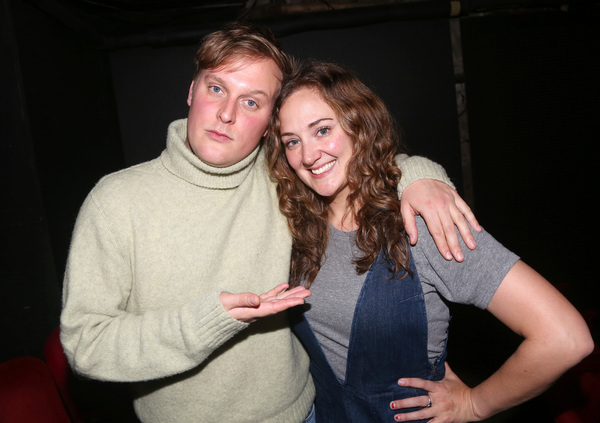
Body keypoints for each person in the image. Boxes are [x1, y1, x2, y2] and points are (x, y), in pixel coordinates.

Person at [60, 22, 479, 423]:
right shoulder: (115, 201)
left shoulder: (284, 178)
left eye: (251, 102)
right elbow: (87, 345)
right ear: (192, 91)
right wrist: (208, 321)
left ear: (269, 127)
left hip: (304, 414)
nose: (226, 114)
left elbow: (356, 159)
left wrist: (422, 177)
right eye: (217, 88)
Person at [265, 59, 594, 423]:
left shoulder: (423, 223)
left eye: (323, 130)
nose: (309, 155)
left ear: (360, 124)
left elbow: (564, 337)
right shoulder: (297, 224)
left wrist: (475, 404)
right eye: (292, 141)